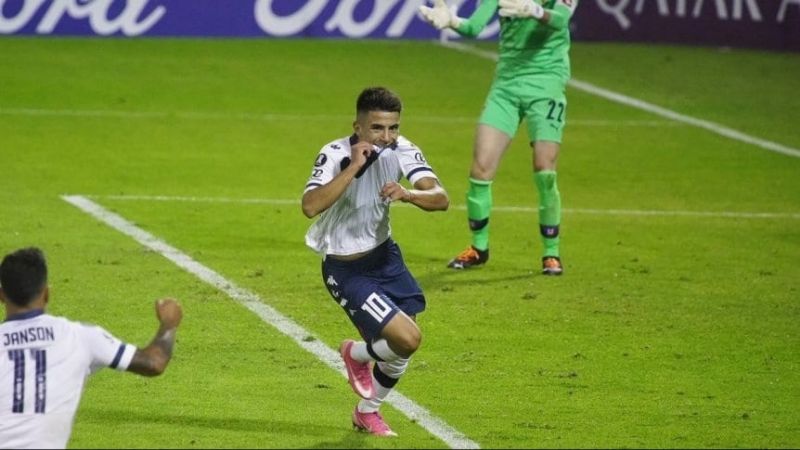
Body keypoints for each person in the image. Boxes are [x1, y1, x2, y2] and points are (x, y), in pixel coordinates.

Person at [302, 87, 449, 437]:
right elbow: (310, 206)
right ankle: (355, 353)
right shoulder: (335, 153)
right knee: (408, 339)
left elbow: (441, 198)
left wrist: (409, 194)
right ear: (358, 126)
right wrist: (354, 166)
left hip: (386, 259)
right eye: (378, 129)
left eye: (393, 128)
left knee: (398, 351)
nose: (386, 137)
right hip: (346, 268)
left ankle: (367, 411)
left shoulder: (403, 150)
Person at [420, 0, 578, 275]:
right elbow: (475, 26)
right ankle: (478, 249)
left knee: (544, 167)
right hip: (506, 86)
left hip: (547, 84)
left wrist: (534, 9)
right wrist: (452, 21)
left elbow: (560, 20)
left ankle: (551, 253)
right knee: (480, 168)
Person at [0, 247, 182, 449]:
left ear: (1, 295)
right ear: (47, 293)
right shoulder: (81, 336)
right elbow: (154, 362)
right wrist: (169, 323)